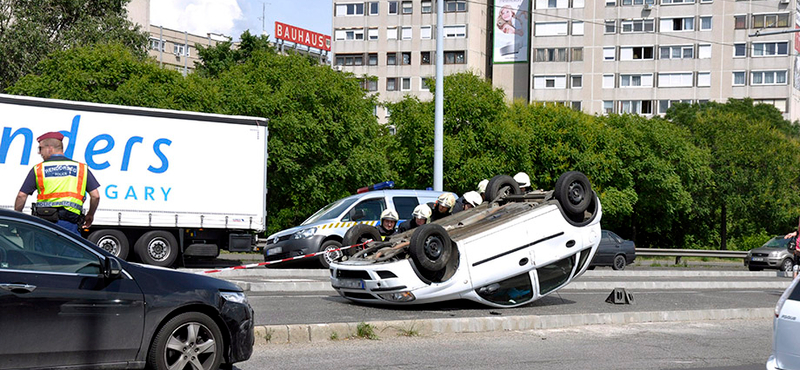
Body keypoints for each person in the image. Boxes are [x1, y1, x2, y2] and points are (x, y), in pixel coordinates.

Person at [14, 132, 100, 236]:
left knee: (43, 252)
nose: (39, 152)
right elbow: (95, 196)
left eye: (40, 148)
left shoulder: (39, 169)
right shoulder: (81, 168)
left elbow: (21, 196)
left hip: (45, 224)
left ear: (49, 148)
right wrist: (90, 214)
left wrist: (17, 217)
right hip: (70, 224)